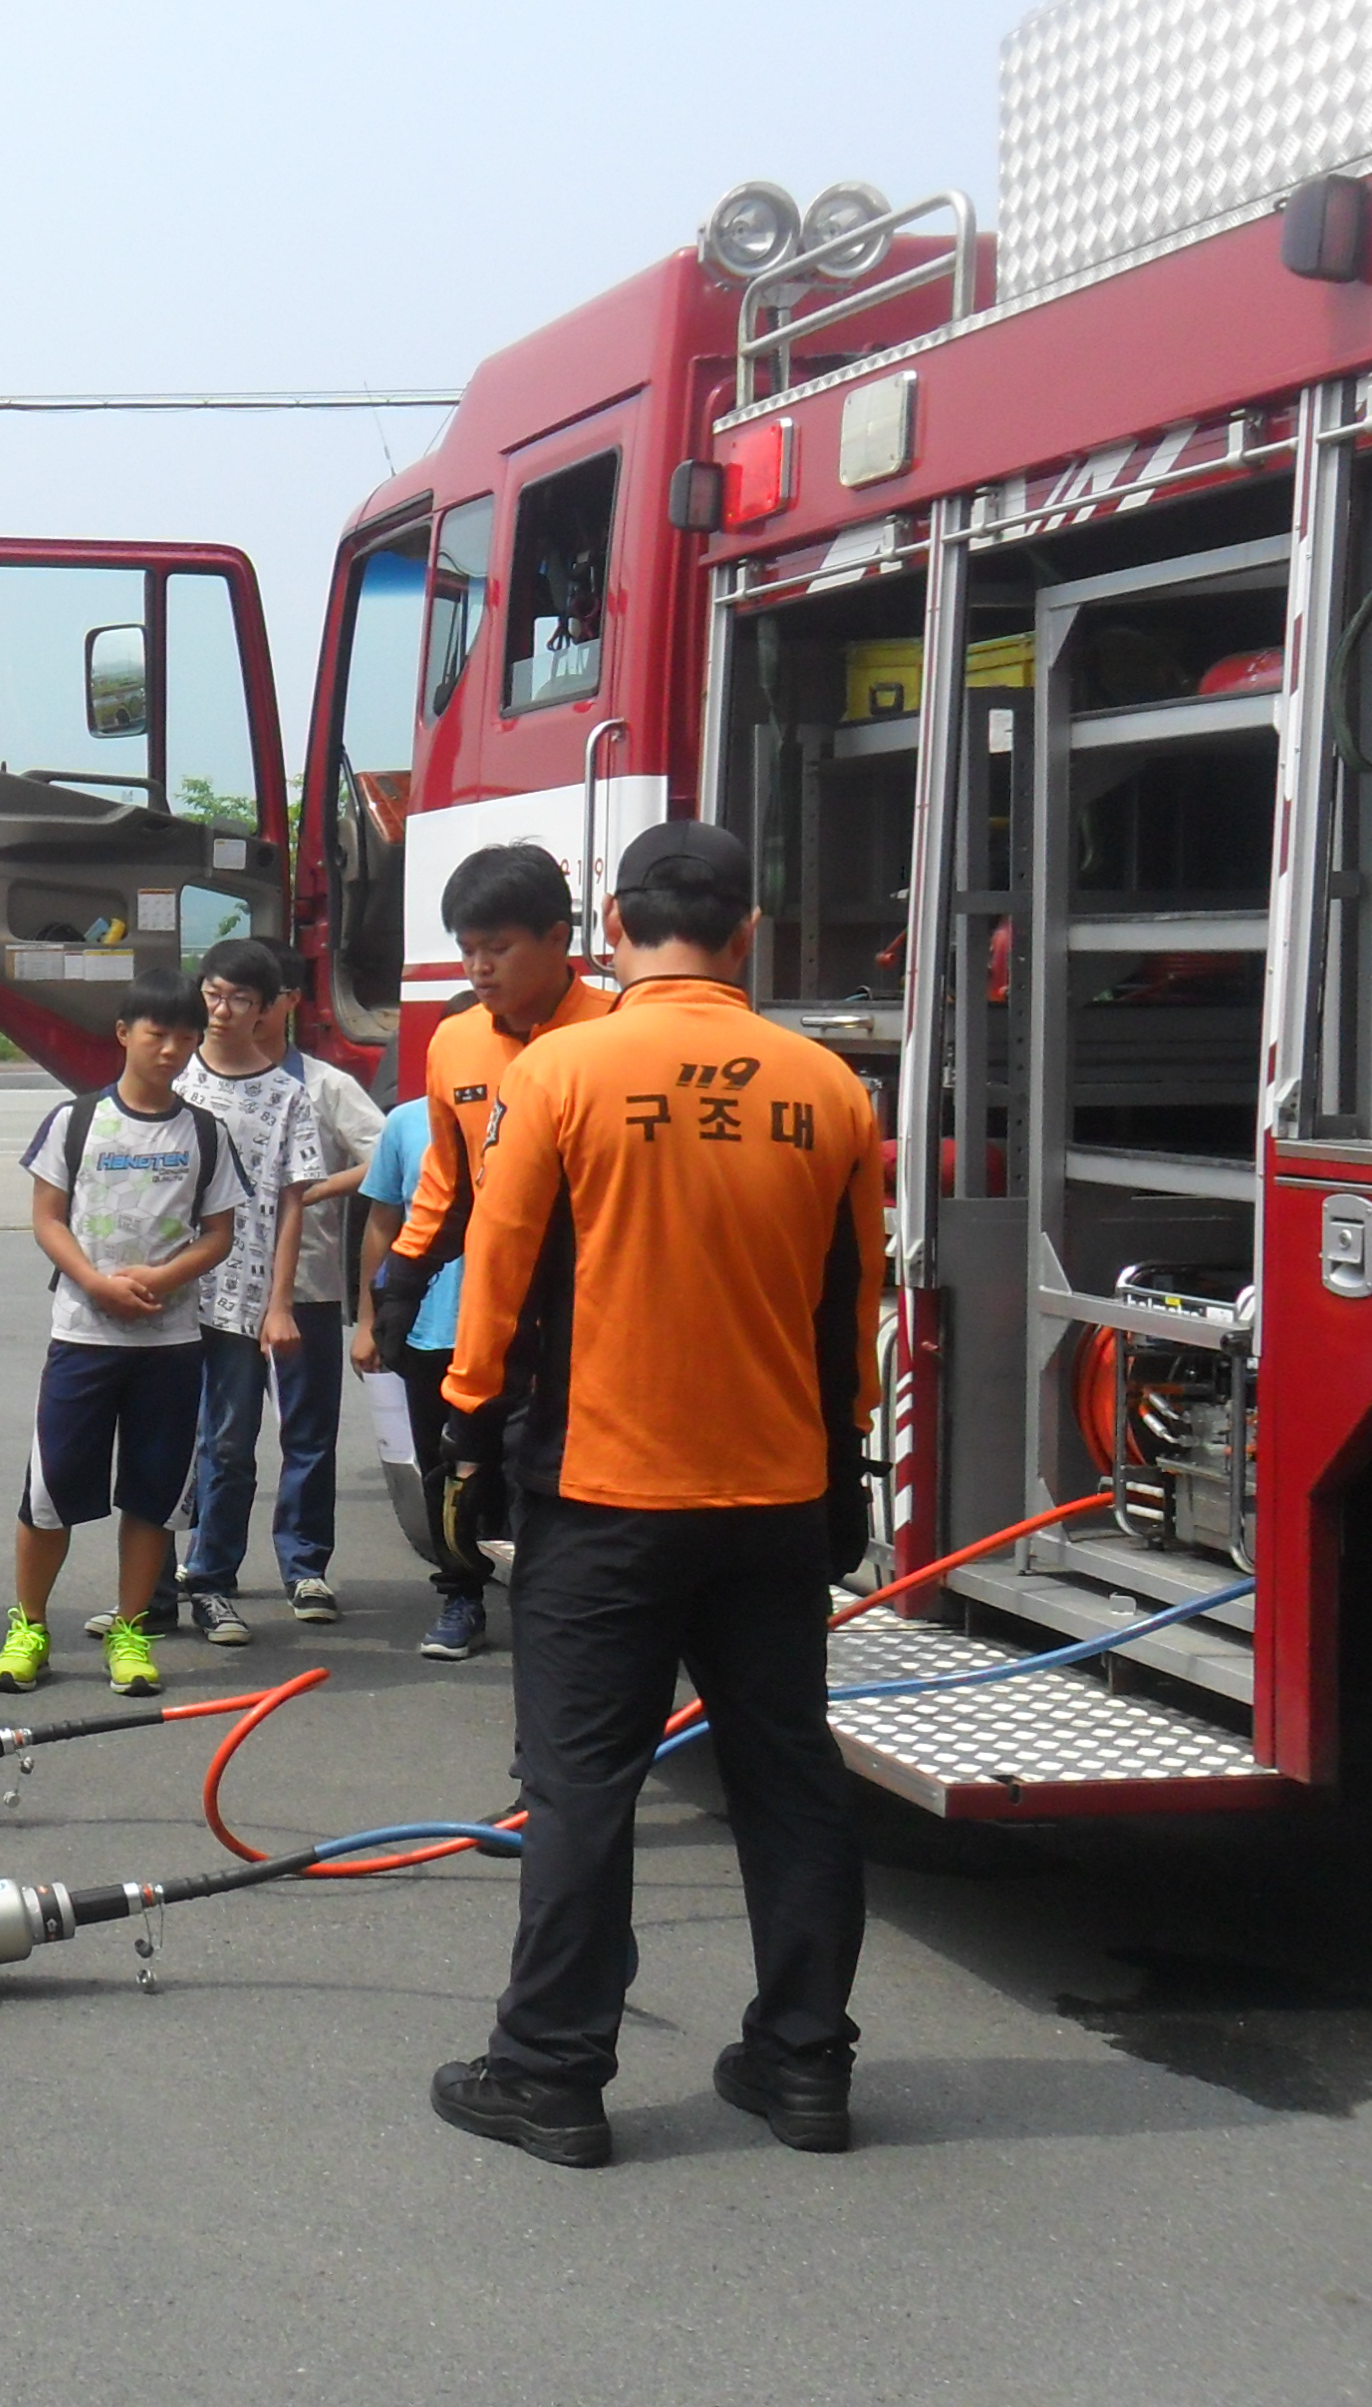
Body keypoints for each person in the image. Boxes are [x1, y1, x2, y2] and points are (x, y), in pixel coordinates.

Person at [429, 822, 884, 2170]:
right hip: (775, 1494)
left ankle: (551, 2075)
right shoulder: (830, 1089)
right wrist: (847, 1464)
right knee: (790, 1777)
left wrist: (468, 1432)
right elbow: (853, 1303)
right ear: (747, 934)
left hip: (604, 1493)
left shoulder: (561, 1072)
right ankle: (805, 2064)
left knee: (582, 1786)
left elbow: (499, 1272)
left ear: (614, 929)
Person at [0, 978, 241, 1699]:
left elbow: (219, 1234)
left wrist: (165, 1277)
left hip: (170, 1347)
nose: (170, 1050)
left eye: (186, 1037)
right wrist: (94, 1283)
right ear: (123, 1032)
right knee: (50, 1491)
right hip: (82, 1338)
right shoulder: (76, 1121)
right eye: (156, 1034)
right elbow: (47, 1218)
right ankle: (29, 1629)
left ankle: (131, 1631)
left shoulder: (205, 1133)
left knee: (154, 1496)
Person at [372, 842, 607, 1360]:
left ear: (558, 938)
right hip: (496, 1312)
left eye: (499, 949)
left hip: (603, 1309)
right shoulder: (454, 1040)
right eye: (467, 950)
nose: (480, 968)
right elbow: (448, 1183)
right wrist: (403, 1282)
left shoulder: (620, 1029)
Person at [167, 937, 328, 1644]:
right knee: (162, 1442)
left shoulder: (288, 1095)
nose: (222, 1009)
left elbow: (294, 1203)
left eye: (239, 999)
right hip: (167, 1292)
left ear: (266, 1010)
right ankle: (147, 1590)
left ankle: (211, 1582)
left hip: (242, 1296)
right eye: (213, 993)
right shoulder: (174, 1077)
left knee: (230, 1445)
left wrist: (281, 1303)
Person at [353, 997, 499, 1661]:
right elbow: (383, 1225)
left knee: (526, 1474)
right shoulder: (408, 1123)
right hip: (431, 1333)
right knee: (445, 1473)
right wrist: (370, 1318)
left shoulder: (542, 1109)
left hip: (518, 1336)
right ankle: (461, 1597)